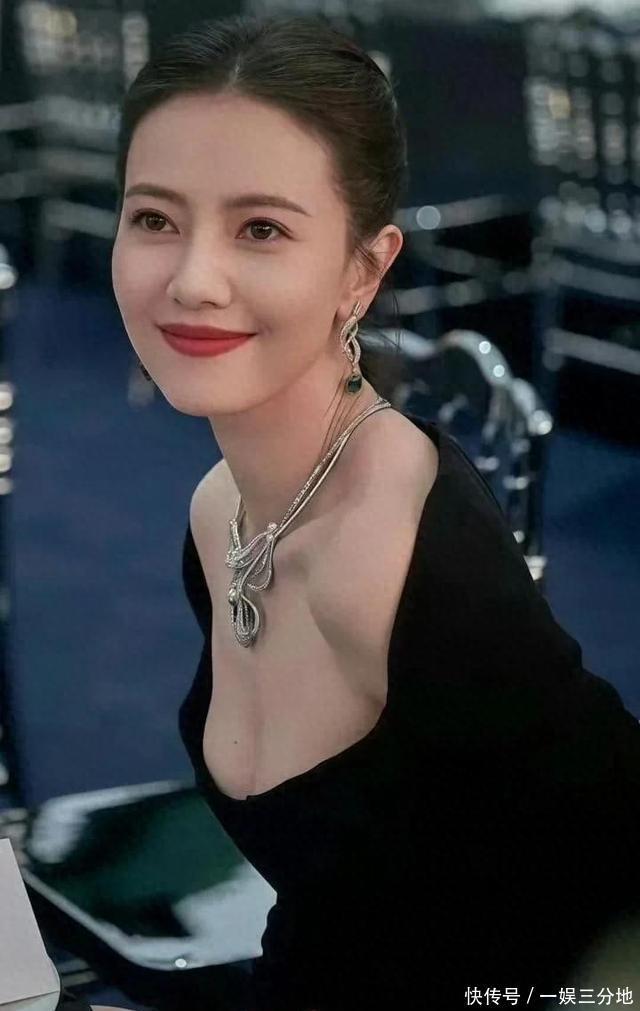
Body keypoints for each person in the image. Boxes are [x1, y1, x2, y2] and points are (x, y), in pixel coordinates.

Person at [110, 12, 640, 1011]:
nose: (190, 279)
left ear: (364, 268)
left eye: (260, 228)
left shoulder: (395, 557)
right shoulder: (220, 511)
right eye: (153, 219)